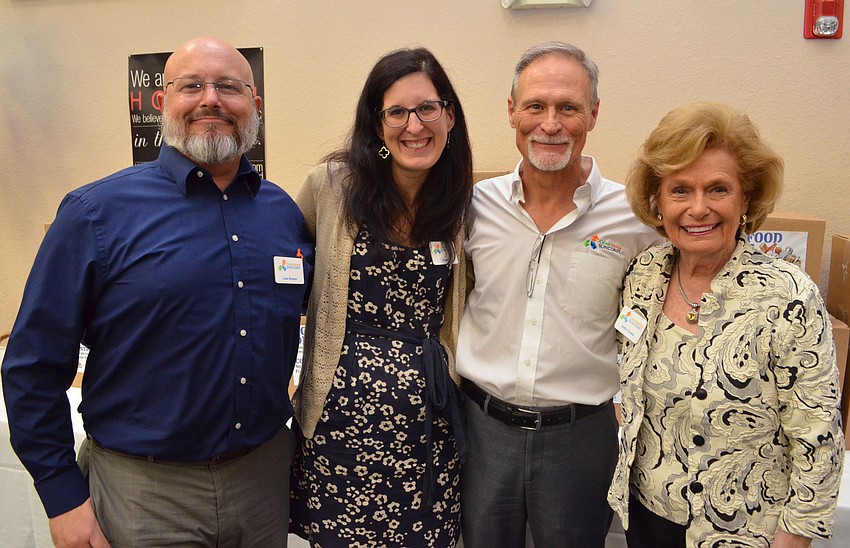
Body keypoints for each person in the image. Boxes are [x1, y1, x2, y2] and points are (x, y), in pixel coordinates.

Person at [1, 36, 313, 547]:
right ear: (163, 101)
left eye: (229, 87)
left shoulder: (283, 213)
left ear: (254, 104)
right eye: (192, 86)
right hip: (143, 495)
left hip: (262, 482)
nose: (210, 99)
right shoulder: (95, 213)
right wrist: (63, 499)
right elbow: (32, 366)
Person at [607, 102, 844, 547]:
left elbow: (819, 437)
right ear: (657, 202)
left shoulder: (788, 296)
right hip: (647, 515)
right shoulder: (642, 275)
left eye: (718, 189)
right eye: (680, 190)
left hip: (746, 530)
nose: (698, 209)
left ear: (746, 199)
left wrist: (794, 539)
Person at [456, 41, 661, 548]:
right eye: (535, 106)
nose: (551, 123)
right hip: (481, 431)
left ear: (593, 112)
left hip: (581, 439)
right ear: (511, 113)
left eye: (568, 107)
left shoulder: (634, 218)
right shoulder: (471, 208)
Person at [289, 47, 473, 547]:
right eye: (396, 112)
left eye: (428, 108)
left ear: (449, 116)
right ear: (377, 125)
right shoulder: (330, 187)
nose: (414, 125)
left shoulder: (465, 204)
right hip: (339, 426)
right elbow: (281, 275)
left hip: (428, 429)